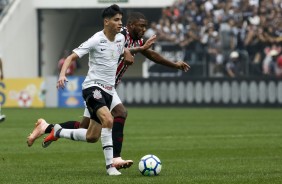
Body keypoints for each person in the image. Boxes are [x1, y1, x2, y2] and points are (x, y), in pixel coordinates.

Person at [27, 11, 190, 171]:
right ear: (130, 25)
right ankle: (115, 159)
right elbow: (118, 47)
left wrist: (174, 64)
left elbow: (150, 54)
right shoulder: (120, 34)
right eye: (141, 26)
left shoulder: (136, 39)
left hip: (109, 87)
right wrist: (127, 52)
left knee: (87, 131)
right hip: (97, 86)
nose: (144, 30)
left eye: (145, 27)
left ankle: (48, 128)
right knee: (120, 113)